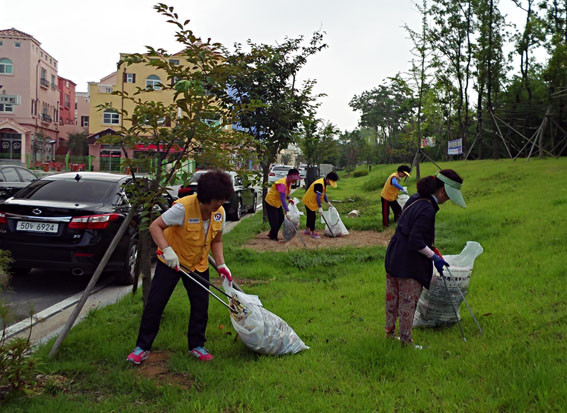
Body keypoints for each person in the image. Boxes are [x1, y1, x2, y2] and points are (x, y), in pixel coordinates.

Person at [127, 170, 234, 365]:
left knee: (200, 306)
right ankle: (142, 347)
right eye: (217, 200)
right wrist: (167, 250)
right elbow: (155, 226)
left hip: (198, 264)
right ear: (206, 197)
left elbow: (216, 241)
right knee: (156, 304)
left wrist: (221, 264)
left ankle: (197, 345)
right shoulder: (183, 208)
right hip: (172, 262)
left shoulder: (219, 213)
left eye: (222, 200)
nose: (220, 204)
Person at [383, 169, 466, 348]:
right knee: (407, 302)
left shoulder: (416, 198)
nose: (448, 200)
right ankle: (406, 343)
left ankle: (389, 334)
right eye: (448, 196)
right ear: (442, 191)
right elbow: (416, 240)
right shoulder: (428, 208)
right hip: (408, 261)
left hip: (394, 254)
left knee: (392, 298)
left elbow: (409, 228)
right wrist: (433, 256)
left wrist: (431, 248)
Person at [264, 168, 301, 241]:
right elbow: (282, 198)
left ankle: (271, 233)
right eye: (294, 179)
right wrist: (287, 210)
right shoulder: (282, 184)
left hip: (277, 203)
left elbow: (286, 194)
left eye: (296, 179)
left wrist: (289, 198)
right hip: (271, 202)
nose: (295, 180)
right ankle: (273, 237)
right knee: (274, 221)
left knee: (281, 218)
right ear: (289, 177)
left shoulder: (289, 183)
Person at [302, 172, 339, 239]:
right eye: (331, 182)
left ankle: (307, 230)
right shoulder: (320, 184)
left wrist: (327, 202)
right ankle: (313, 232)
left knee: (310, 215)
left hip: (310, 201)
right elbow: (318, 197)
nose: (330, 184)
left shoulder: (324, 183)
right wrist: (320, 207)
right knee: (312, 216)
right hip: (309, 201)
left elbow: (323, 193)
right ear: (327, 179)